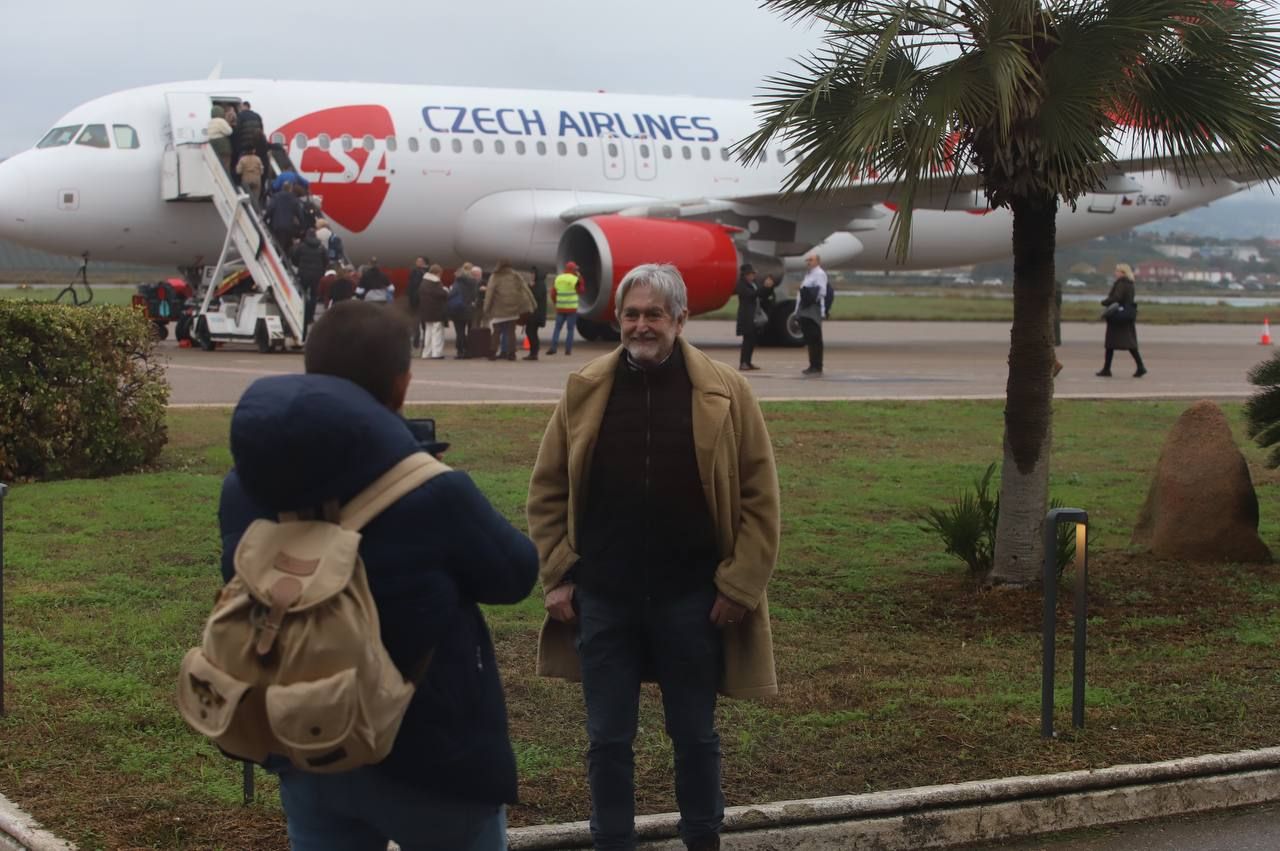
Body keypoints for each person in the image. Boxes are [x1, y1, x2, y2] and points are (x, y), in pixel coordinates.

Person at [218, 300, 538, 850]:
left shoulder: (244, 484)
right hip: (430, 754)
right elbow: (515, 576)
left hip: (305, 737)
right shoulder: (433, 490)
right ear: (401, 385)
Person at [528, 263, 781, 851]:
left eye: (654, 315)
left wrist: (738, 587)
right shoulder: (585, 388)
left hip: (693, 600)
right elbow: (547, 492)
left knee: (694, 736)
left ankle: (702, 840)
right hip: (604, 599)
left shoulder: (725, 391)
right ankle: (612, 842)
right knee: (608, 740)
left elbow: (759, 498)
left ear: (681, 320)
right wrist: (560, 574)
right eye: (632, 315)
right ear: (618, 319)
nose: (642, 326)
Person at [1098, 263, 1147, 378]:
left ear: (1123, 272)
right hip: (1126, 316)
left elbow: (1117, 298)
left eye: (1117, 271)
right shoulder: (1130, 284)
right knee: (1129, 344)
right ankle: (1139, 366)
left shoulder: (1121, 283)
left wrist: (1105, 302)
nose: (1115, 273)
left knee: (1111, 344)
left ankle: (1107, 369)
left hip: (1118, 317)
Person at [482, 260, 537, 361]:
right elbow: (525, 289)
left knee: (496, 332)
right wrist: (533, 304)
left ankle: (492, 353)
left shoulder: (495, 277)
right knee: (511, 332)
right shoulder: (516, 275)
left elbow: (489, 293)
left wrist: (486, 308)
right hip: (513, 310)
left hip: (498, 310)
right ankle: (511, 354)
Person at [734, 264, 775, 371]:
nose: (753, 275)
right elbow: (751, 295)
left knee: (752, 340)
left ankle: (748, 362)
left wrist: (769, 288)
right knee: (747, 340)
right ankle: (743, 362)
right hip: (747, 316)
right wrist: (764, 287)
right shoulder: (741, 285)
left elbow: (762, 294)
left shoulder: (754, 284)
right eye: (751, 274)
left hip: (755, 315)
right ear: (745, 275)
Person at [292, 228, 328, 340]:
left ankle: (302, 311)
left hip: (304, 274)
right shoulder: (321, 247)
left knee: (302, 293)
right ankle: (310, 314)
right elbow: (326, 260)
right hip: (317, 275)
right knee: (313, 295)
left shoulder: (302, 246)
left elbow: (294, 257)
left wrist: (299, 266)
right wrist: (321, 270)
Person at [794, 253, 827, 376]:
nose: (808, 262)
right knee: (810, 339)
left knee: (815, 338)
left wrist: (810, 300)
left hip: (812, 308)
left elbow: (822, 291)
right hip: (805, 308)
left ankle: (817, 365)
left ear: (818, 261)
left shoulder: (819, 273)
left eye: (811, 260)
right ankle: (813, 364)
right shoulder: (809, 274)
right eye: (807, 260)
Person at [547, 261, 584, 355]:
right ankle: (568, 350)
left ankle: (553, 348)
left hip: (560, 308)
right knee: (570, 330)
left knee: (557, 329)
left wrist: (557, 303)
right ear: (573, 270)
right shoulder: (575, 279)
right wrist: (580, 278)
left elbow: (552, 294)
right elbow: (581, 290)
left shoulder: (558, 278)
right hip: (571, 309)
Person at [448, 264, 479, 359]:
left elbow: (452, 295)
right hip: (469, 309)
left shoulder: (457, 283)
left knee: (460, 331)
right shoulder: (474, 282)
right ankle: (469, 350)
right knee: (470, 331)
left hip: (458, 309)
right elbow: (475, 295)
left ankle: (460, 351)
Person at [419, 264, 448, 359]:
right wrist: (446, 290)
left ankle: (426, 353)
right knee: (437, 332)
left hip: (426, 311)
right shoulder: (435, 282)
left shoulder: (424, 282)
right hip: (436, 311)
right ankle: (437, 353)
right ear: (437, 273)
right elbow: (441, 294)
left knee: (428, 332)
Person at [525, 267, 547, 361]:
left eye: (533, 274)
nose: (531, 275)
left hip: (536, 314)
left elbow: (537, 296)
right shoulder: (538, 284)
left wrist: (531, 287)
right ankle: (533, 352)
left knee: (531, 332)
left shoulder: (540, 284)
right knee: (530, 332)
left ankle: (534, 353)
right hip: (534, 313)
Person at [207, 105, 234, 175]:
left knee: (217, 166)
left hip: (213, 147)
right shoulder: (221, 121)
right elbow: (229, 131)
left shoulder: (210, 122)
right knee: (225, 166)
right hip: (222, 147)